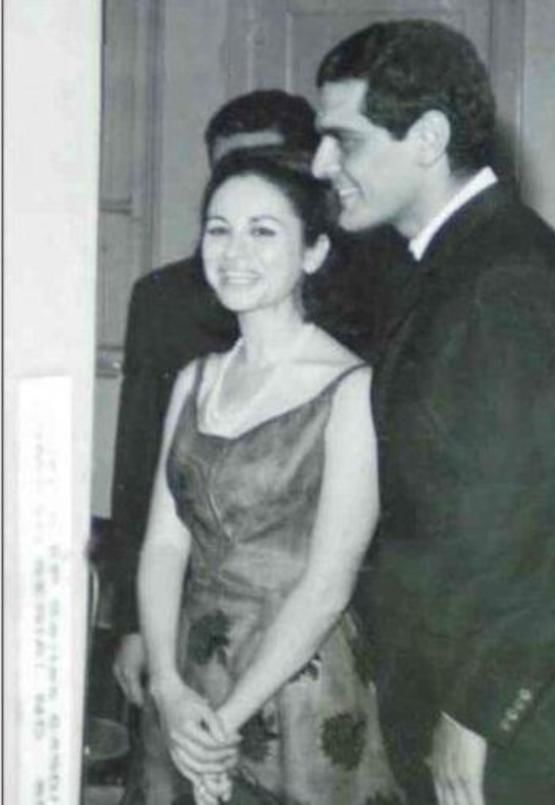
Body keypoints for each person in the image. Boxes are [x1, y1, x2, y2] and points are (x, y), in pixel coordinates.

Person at [312, 19, 555, 805]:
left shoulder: (505, 281)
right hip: (464, 702)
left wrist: (479, 710)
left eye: (343, 140)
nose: (320, 163)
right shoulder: (453, 260)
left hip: (518, 735)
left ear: (428, 138)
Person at [125, 147, 403, 805]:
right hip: (189, 678)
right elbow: (164, 545)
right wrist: (168, 686)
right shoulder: (195, 378)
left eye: (263, 231)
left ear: (314, 251)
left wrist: (224, 725)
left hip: (293, 686)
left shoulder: (351, 389)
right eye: (218, 229)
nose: (234, 252)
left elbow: (328, 586)